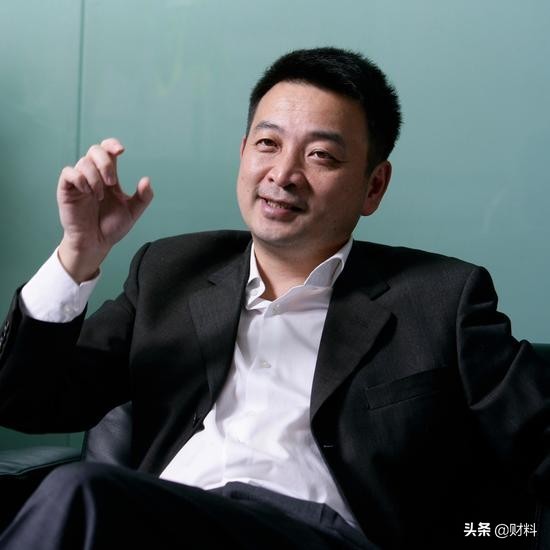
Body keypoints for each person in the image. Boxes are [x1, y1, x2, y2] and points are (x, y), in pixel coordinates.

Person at [0, 46, 548, 549]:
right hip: (159, 522)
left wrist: (480, 537)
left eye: (321, 156)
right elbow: (27, 401)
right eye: (267, 144)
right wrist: (78, 254)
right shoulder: (170, 272)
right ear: (243, 152)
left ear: (373, 186)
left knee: (79, 493)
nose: (283, 174)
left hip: (316, 535)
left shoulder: (441, 300)